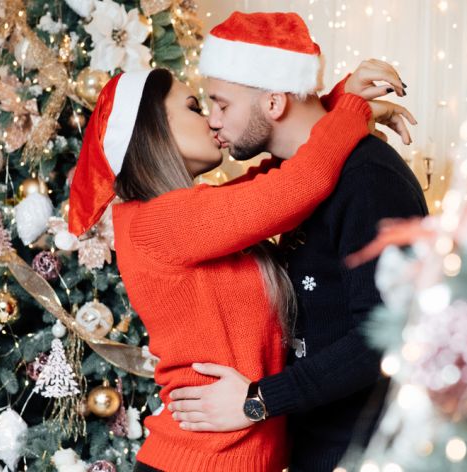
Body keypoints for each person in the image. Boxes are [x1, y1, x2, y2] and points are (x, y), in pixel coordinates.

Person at [68, 42, 413, 472]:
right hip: (200, 463)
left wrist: (329, 104)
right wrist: (351, 110)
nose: (212, 120)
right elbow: (298, 184)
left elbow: (284, 168)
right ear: (154, 130)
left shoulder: (188, 215)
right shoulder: (160, 223)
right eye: (195, 107)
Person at [167, 11, 428, 471]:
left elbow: (387, 333)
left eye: (221, 104)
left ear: (273, 102)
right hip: (315, 446)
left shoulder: (368, 177)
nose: (213, 121)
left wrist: (258, 400)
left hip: (365, 453)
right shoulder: (295, 180)